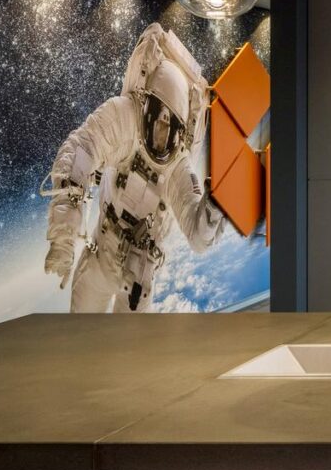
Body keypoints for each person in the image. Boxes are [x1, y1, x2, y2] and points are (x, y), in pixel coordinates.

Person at [40, 23, 224, 312]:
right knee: (79, 345)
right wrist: (63, 240)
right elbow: (79, 152)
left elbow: (198, 237)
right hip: (101, 254)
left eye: (170, 124)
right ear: (146, 109)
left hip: (139, 277)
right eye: (159, 117)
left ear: (180, 131)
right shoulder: (125, 117)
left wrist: (213, 209)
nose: (163, 129)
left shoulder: (178, 164)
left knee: (130, 355)